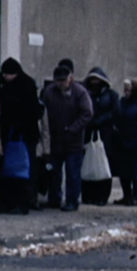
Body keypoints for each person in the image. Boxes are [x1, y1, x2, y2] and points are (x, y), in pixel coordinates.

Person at [41, 64, 94, 211]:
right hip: (55, 139)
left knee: (72, 172)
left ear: (70, 78)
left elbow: (87, 114)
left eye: (63, 81)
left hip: (73, 141)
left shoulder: (80, 92)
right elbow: (43, 111)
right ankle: (54, 198)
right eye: (58, 81)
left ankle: (72, 200)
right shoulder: (50, 92)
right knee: (53, 171)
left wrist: (73, 129)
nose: (60, 84)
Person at [0, 58, 41, 214]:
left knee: (23, 170)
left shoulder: (26, 85)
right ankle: (10, 201)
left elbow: (33, 111)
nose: (6, 77)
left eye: (8, 74)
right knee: (14, 170)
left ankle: (24, 202)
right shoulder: (6, 84)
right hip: (11, 133)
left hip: (23, 134)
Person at [81, 67, 118, 206]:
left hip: (105, 134)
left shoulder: (111, 95)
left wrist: (101, 121)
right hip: (88, 132)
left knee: (103, 165)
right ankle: (88, 195)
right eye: (92, 80)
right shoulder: (85, 94)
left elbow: (115, 111)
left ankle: (102, 196)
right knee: (87, 164)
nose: (95, 82)